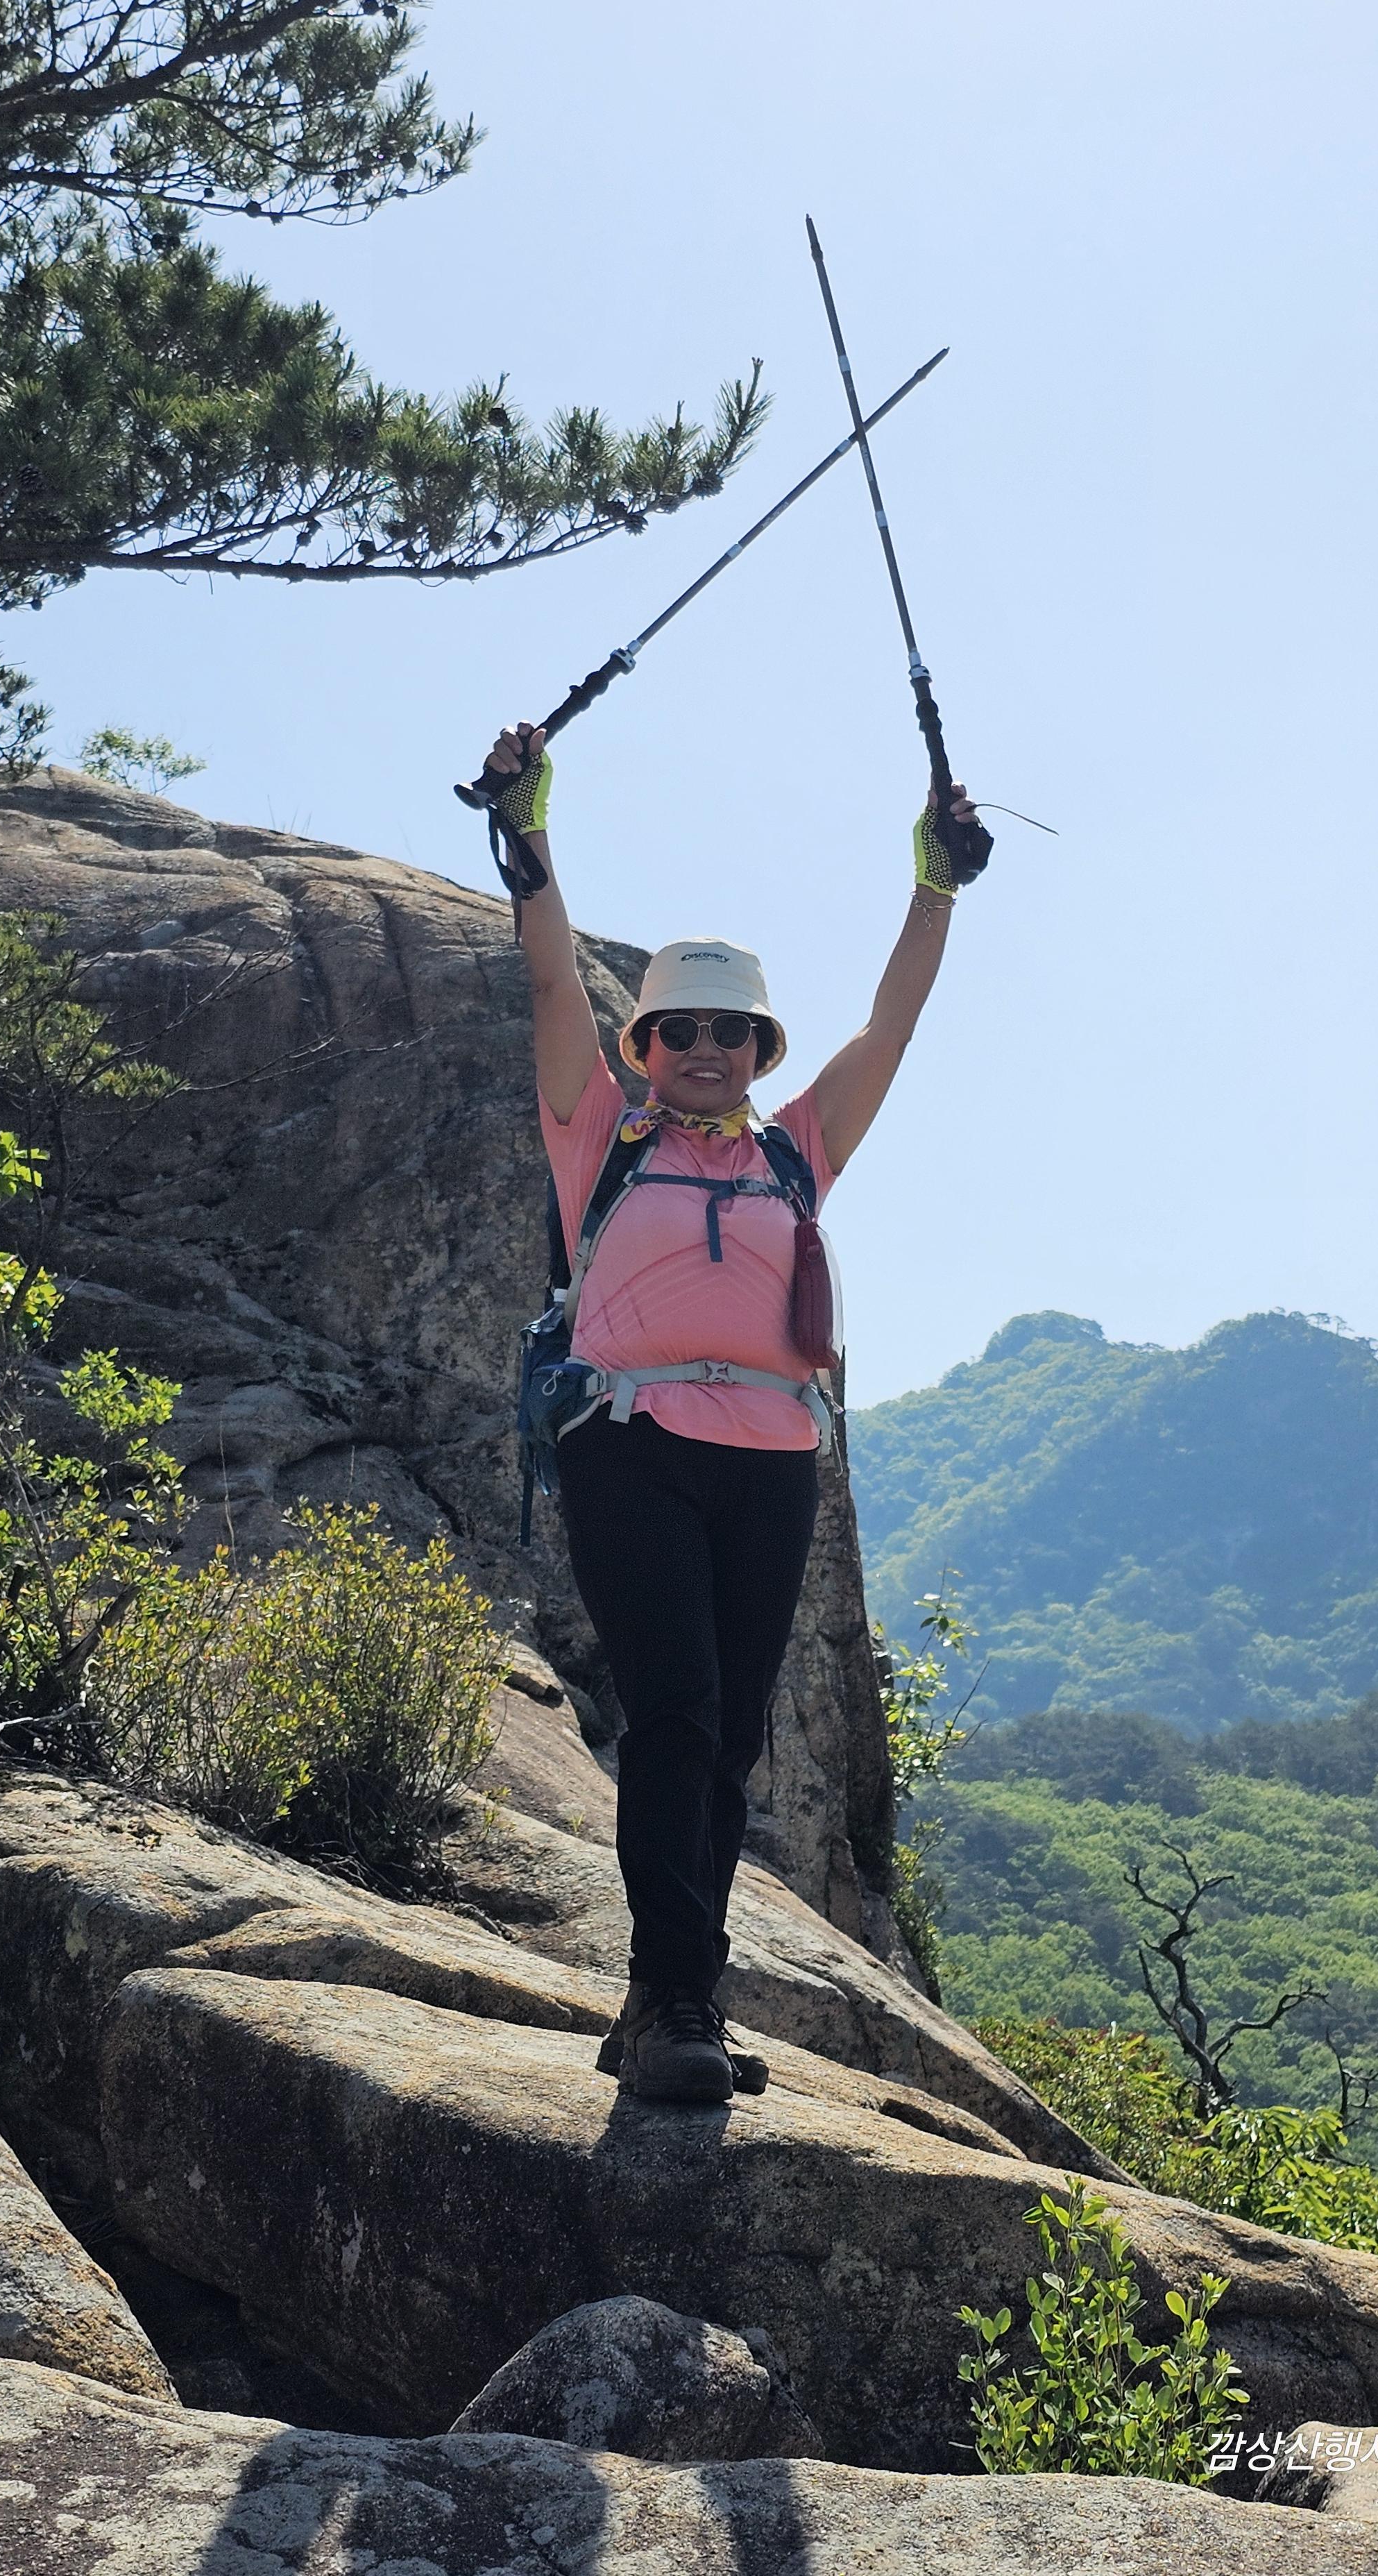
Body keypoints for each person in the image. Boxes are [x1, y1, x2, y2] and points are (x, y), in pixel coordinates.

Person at [488, 718, 980, 2103]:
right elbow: (548, 981)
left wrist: (933, 885)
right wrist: (529, 834)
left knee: (729, 1736)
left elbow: (892, 1025)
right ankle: (676, 2003)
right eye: (681, 1027)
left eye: (731, 1029)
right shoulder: (599, 1132)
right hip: (629, 1444)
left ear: (760, 1048)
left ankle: (671, 1995)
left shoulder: (796, 1149)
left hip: (772, 1462)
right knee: (680, 1711)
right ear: (646, 1043)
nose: (705, 1045)